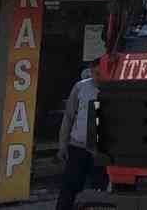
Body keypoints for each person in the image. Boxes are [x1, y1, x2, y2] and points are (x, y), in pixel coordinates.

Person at [57, 61, 103, 210]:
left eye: (101, 74)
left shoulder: (113, 88)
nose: (99, 77)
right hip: (78, 146)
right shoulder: (80, 87)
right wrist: (62, 145)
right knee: (69, 188)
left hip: (100, 150)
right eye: (96, 73)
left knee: (99, 190)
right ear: (90, 72)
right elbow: (68, 117)